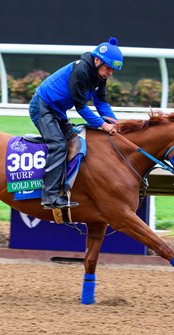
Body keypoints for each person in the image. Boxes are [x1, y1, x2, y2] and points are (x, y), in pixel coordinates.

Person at [29, 36, 123, 209]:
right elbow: (81, 108)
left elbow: (101, 103)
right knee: (58, 145)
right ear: (97, 60)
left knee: (76, 143)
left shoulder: (100, 76)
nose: (110, 73)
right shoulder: (81, 71)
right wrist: (103, 125)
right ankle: (49, 197)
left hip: (57, 111)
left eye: (112, 70)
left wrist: (116, 124)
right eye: (108, 68)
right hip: (42, 107)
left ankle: (67, 187)